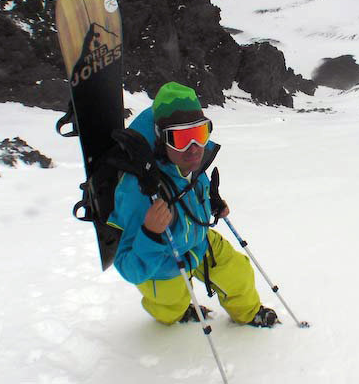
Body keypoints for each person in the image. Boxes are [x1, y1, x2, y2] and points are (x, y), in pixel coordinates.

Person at [108, 81, 278, 327]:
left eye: (199, 134)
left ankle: (250, 313)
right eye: (181, 138)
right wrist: (150, 234)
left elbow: (192, 191)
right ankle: (176, 312)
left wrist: (211, 202)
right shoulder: (138, 189)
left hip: (197, 240)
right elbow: (129, 267)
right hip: (161, 259)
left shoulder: (190, 162)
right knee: (170, 306)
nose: (194, 148)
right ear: (161, 138)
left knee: (237, 272)